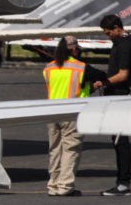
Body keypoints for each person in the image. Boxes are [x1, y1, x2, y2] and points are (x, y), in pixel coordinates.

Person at [42, 35, 104, 197]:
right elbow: (102, 76)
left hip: (51, 112)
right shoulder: (81, 67)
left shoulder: (48, 67)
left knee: (55, 150)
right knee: (71, 148)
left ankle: (53, 185)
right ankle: (65, 186)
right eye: (78, 47)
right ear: (73, 49)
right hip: (72, 112)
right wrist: (93, 86)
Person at [97, 14, 131, 196]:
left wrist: (103, 82)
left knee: (121, 141)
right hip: (114, 95)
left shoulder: (125, 46)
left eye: (108, 33)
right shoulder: (120, 43)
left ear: (117, 28)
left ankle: (123, 183)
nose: (108, 36)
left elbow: (123, 74)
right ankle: (122, 182)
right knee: (118, 140)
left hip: (119, 96)